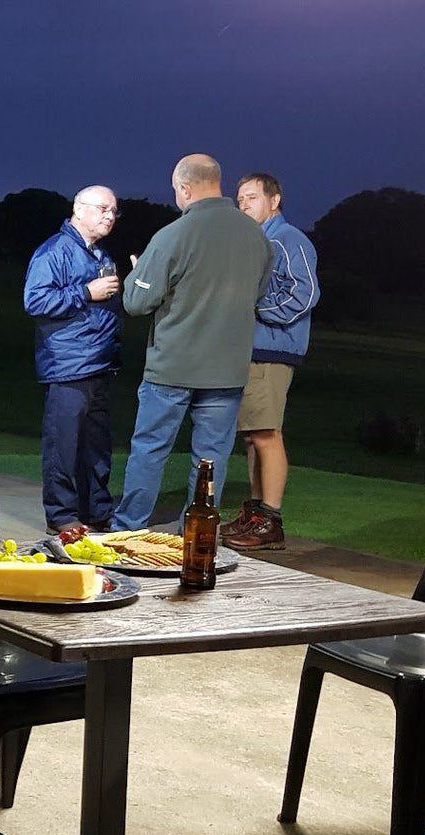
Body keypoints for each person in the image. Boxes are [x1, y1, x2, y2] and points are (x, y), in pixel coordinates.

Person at [110, 154, 272, 531]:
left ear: (184, 187)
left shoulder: (174, 235)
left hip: (173, 367)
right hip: (227, 370)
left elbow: (136, 303)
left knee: (150, 451)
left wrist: (137, 277)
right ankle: (198, 535)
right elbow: (258, 294)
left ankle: (128, 529)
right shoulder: (257, 237)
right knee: (211, 458)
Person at [224, 172, 320, 552]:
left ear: (274, 200)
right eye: (240, 199)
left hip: (272, 349)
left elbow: (305, 291)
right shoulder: (255, 241)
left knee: (266, 434)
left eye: (251, 197)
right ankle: (255, 514)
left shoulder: (288, 238)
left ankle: (270, 521)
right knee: (253, 436)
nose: (243, 204)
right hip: (251, 350)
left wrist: (256, 307)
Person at [23, 185, 124, 534]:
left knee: (96, 446)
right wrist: (85, 292)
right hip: (69, 365)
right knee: (63, 445)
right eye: (102, 208)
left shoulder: (101, 254)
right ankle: (62, 516)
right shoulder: (55, 251)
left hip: (100, 363)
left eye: (114, 210)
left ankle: (96, 510)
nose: (109, 215)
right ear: (78, 210)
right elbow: (35, 301)